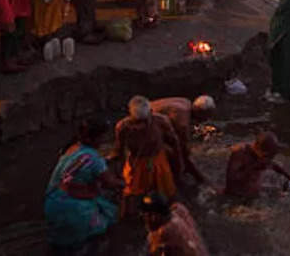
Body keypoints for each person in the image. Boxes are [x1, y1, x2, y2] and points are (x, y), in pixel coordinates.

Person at [44, 118, 121, 256]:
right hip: (74, 210)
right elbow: (110, 183)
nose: (104, 141)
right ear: (95, 138)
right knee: (110, 219)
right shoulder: (94, 159)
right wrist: (126, 183)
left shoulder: (70, 148)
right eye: (102, 137)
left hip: (53, 202)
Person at [110, 95, 181, 215]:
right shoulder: (123, 127)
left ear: (151, 113)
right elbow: (118, 150)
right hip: (137, 162)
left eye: (144, 121)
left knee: (167, 192)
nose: (141, 126)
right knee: (131, 193)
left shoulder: (161, 121)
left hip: (158, 161)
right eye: (137, 122)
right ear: (130, 115)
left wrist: (179, 164)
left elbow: (174, 142)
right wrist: (117, 172)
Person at [224, 131, 290, 200]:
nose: (269, 160)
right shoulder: (240, 154)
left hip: (253, 193)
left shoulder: (260, 156)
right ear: (260, 150)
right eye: (269, 156)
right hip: (238, 196)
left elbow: (273, 165)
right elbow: (232, 179)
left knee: (282, 193)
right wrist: (253, 167)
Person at [150, 95, 216, 185]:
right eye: (207, 116)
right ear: (201, 113)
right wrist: (200, 177)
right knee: (173, 152)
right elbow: (182, 151)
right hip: (143, 125)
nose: (207, 120)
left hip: (143, 112)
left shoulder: (186, 102)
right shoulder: (182, 121)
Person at [140, 193, 210, 256]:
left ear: (155, 216)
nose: (145, 220)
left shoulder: (165, 232)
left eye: (145, 216)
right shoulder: (178, 209)